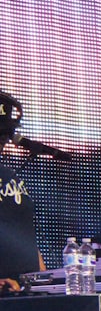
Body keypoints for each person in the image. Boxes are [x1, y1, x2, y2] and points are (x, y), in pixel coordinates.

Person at [0, 90, 45, 294]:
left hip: (25, 294)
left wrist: (44, 277)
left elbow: (23, 230)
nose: (5, 139)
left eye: (7, 133)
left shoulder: (10, 175)